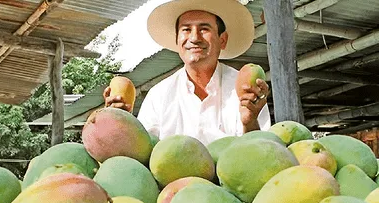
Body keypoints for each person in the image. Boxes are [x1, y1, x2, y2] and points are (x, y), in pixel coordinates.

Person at [103, 0, 271, 146]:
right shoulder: (159, 95)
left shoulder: (245, 91)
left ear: (222, 40)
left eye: (204, 29)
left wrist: (250, 122)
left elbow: (259, 152)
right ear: (177, 40)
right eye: (186, 29)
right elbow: (143, 155)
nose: (194, 38)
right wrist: (120, 123)